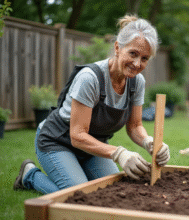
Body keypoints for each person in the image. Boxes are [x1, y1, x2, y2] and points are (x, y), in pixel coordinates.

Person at [13, 15, 170, 194]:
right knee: (80, 194)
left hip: (94, 146)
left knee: (113, 191)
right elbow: (77, 134)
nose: (137, 63)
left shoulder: (137, 82)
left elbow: (135, 126)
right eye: (133, 53)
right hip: (58, 141)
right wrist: (119, 153)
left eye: (144, 58)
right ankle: (30, 176)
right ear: (118, 48)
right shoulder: (90, 78)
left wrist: (149, 141)